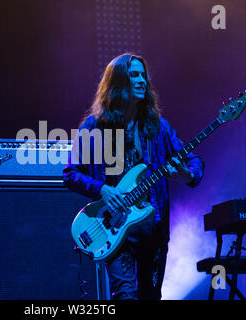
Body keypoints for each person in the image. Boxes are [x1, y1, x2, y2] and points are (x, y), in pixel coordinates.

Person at [63, 53, 204, 300]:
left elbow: (194, 164)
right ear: (117, 82)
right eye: (134, 75)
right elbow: (70, 173)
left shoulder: (159, 128)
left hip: (153, 227)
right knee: (125, 296)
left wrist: (182, 173)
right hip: (115, 228)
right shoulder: (93, 127)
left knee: (151, 296)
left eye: (143, 75)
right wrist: (102, 190)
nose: (142, 81)